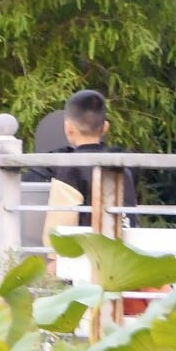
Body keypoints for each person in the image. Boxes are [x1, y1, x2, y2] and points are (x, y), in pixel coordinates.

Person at [35, 90, 137, 245]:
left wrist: (52, 255)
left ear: (68, 128)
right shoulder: (122, 168)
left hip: (86, 253)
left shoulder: (70, 168)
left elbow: (59, 229)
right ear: (105, 127)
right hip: (124, 251)